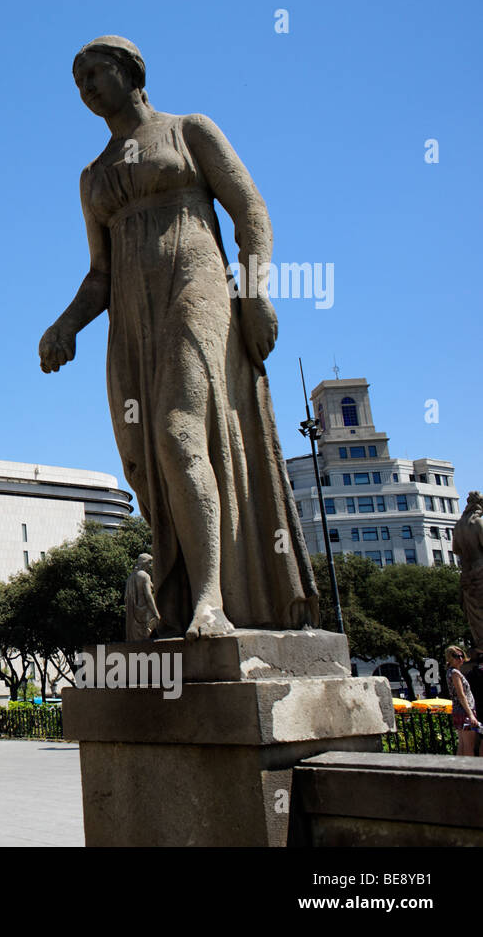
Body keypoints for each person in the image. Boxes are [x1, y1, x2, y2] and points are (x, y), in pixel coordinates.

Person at [39, 35, 318, 639]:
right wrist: (64, 325)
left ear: (131, 70)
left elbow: (250, 211)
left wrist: (254, 293)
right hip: (129, 320)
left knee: (177, 430)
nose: (85, 86)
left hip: (196, 285)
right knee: (146, 460)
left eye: (94, 72)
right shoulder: (93, 178)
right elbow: (99, 273)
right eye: (76, 80)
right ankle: (188, 584)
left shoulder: (189, 131)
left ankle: (210, 601)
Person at [446, 646, 479, 757]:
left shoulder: (450, 671)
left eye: (461, 656)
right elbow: (461, 695)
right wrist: (471, 715)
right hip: (464, 711)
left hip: (458, 711)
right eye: (456, 656)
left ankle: (458, 770)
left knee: (463, 745)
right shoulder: (455, 673)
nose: (460, 659)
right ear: (450, 658)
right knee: (469, 746)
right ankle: (470, 771)